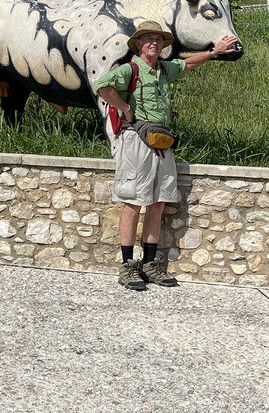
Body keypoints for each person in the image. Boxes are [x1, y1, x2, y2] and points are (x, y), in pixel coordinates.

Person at [94, 20, 239, 290]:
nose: (154, 43)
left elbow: (188, 64)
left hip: (161, 141)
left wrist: (214, 52)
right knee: (133, 201)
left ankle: (149, 264)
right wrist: (125, 108)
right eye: (148, 39)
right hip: (137, 139)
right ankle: (127, 266)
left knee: (158, 201)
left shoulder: (163, 69)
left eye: (158, 40)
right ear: (138, 44)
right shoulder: (131, 69)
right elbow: (102, 86)